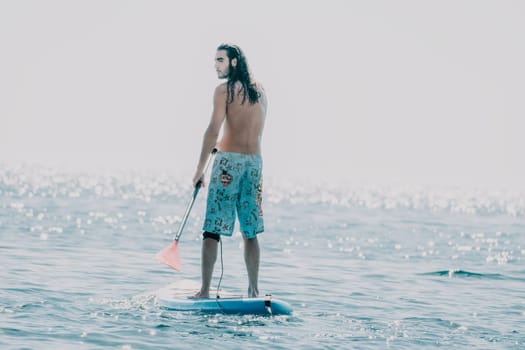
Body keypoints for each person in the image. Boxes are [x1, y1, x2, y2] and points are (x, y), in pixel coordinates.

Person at [192, 44, 267, 298]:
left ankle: (204, 291)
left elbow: (213, 130)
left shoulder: (224, 91)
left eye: (220, 60)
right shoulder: (260, 92)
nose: (216, 65)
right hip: (254, 164)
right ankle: (254, 290)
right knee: (250, 229)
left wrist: (200, 170)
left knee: (212, 229)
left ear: (234, 62)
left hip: (228, 165)